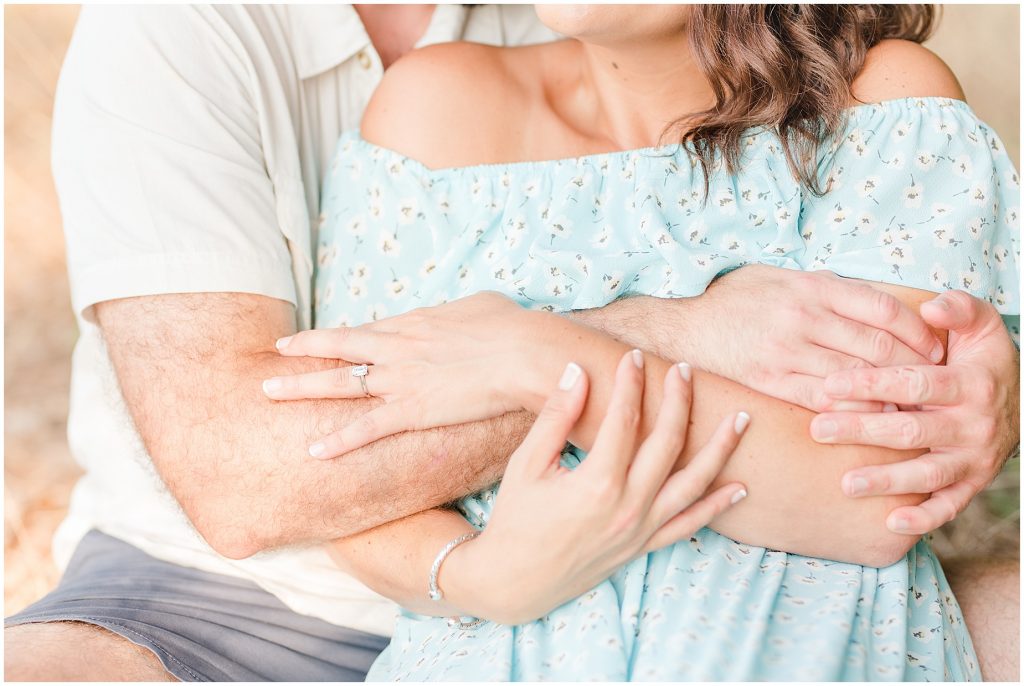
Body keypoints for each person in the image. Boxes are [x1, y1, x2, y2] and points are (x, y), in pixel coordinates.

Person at [3, 3, 1018, 682]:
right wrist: (476, 573)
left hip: (783, 633)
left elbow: (876, 483)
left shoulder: (883, 107)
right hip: (322, 597)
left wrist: (531, 354)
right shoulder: (417, 99)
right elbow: (278, 469)